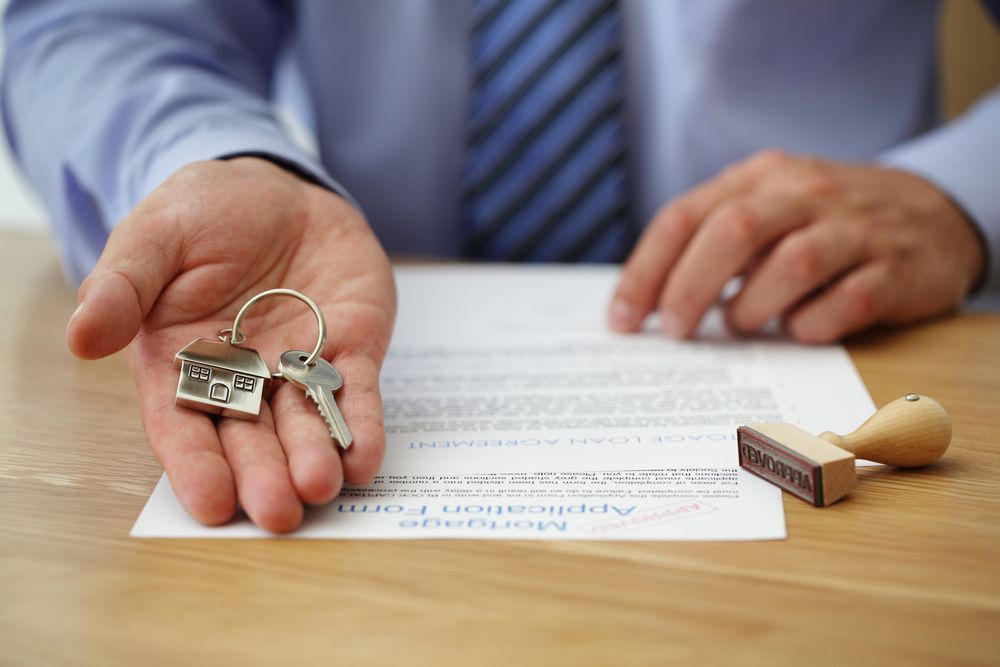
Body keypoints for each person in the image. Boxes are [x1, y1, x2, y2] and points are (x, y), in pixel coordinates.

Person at [3, 1, 998, 532]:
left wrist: (964, 194)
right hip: (375, 325)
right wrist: (214, 153)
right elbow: (97, 22)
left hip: (855, 327)